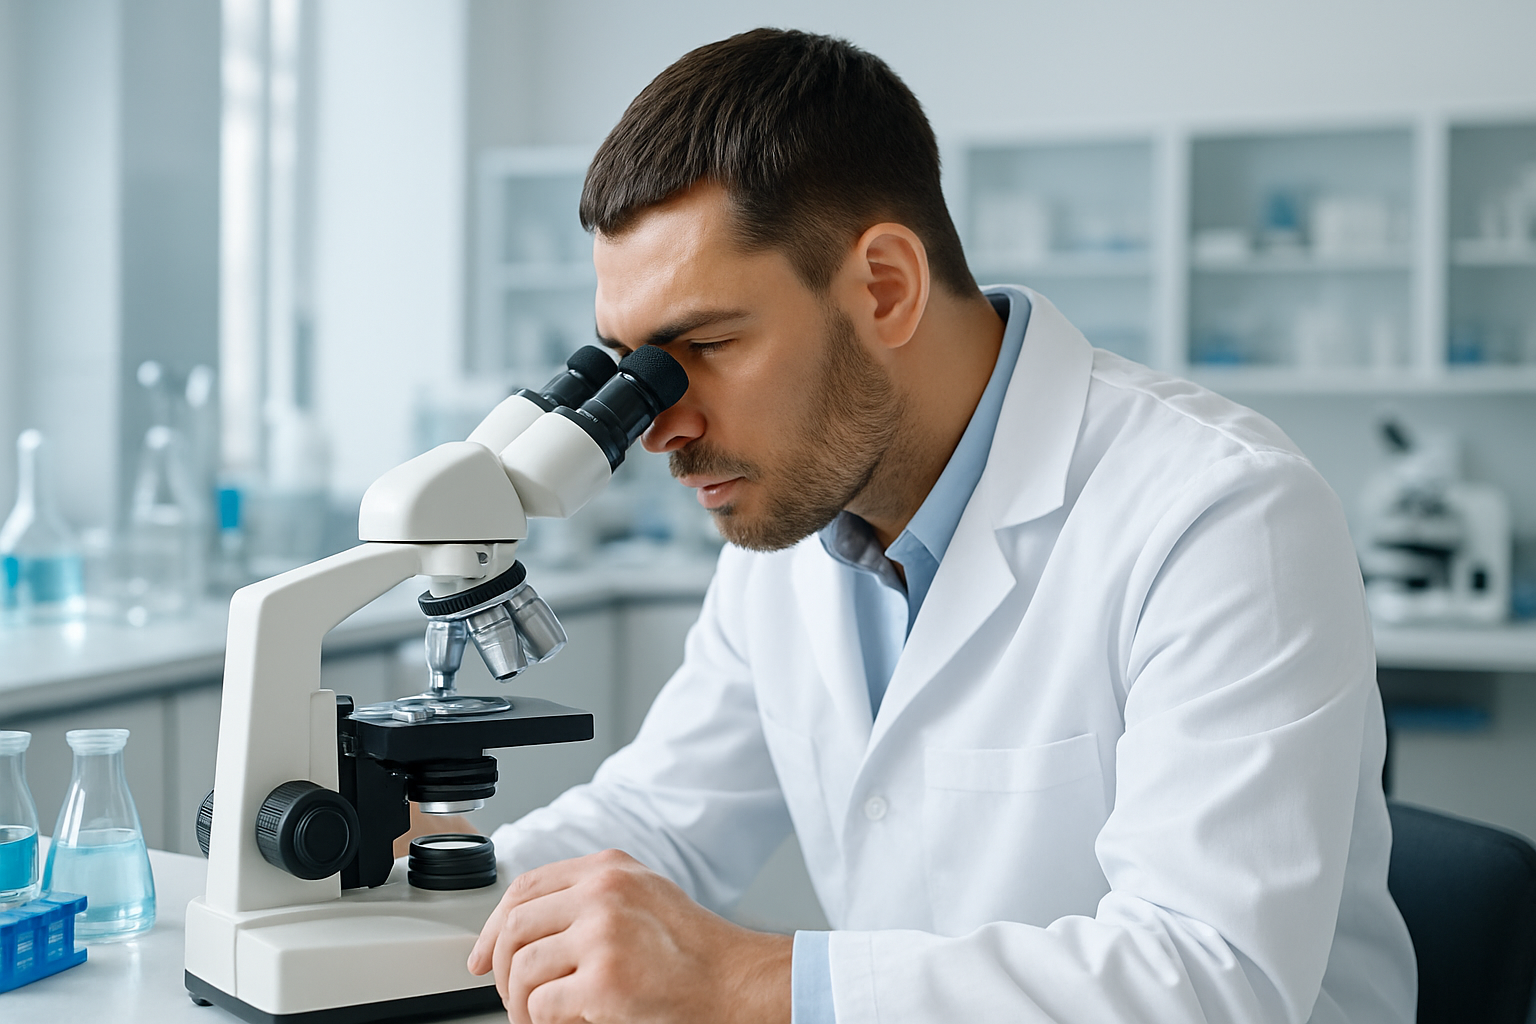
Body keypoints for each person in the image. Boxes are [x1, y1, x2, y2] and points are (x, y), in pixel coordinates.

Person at [450, 27, 1417, 1024]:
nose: (661, 424)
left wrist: (746, 979)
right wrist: (428, 871)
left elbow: (1213, 981)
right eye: (630, 362)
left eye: (702, 344)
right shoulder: (792, 524)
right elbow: (658, 821)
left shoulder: (1222, 515)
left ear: (886, 287)